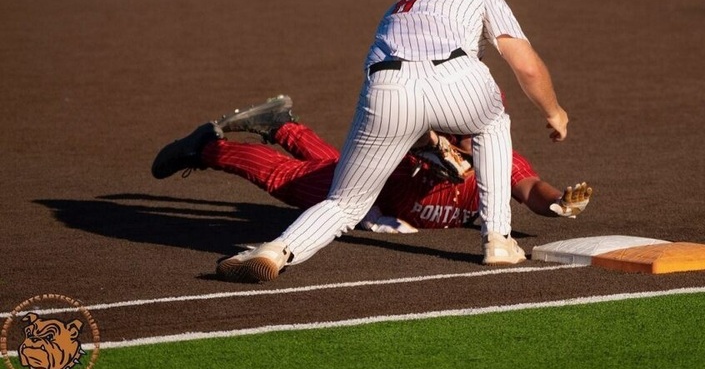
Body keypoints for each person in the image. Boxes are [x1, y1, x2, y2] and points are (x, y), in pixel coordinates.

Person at [194, 0, 567, 282]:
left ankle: (277, 251)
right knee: (493, 123)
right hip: (458, 78)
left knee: (345, 202)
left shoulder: (404, 0)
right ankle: (498, 239)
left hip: (386, 88)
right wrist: (554, 112)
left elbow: (415, 85)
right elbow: (526, 66)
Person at [151, 96, 592, 239]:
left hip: (379, 196)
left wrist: (557, 203)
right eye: (458, 132)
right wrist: (431, 151)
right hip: (372, 190)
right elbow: (414, 135)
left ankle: (282, 127)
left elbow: (529, 187)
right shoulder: (419, 145)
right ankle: (207, 148)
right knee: (287, 179)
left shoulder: (498, 158)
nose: (468, 140)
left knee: (329, 165)